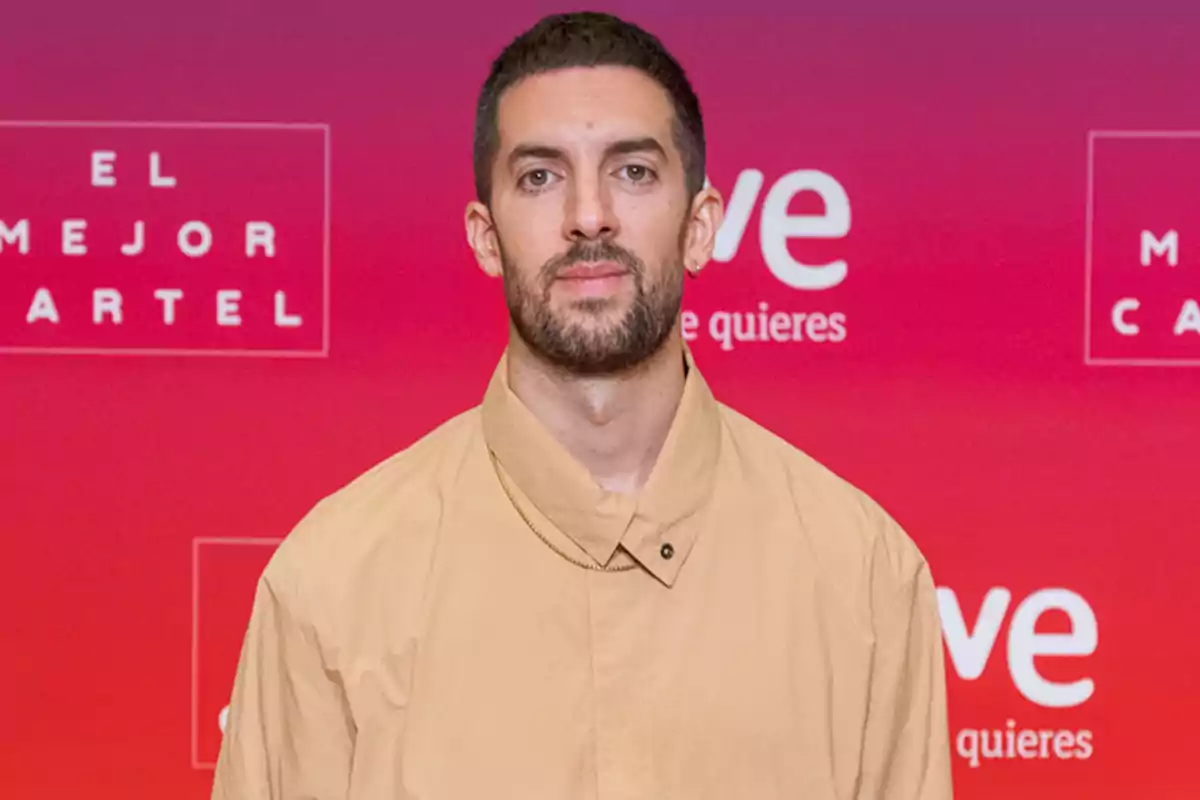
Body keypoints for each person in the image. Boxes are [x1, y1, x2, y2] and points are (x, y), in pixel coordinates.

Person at [211, 11, 953, 800]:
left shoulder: (863, 576)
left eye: (633, 171)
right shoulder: (332, 581)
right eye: (540, 176)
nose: (589, 215)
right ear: (485, 236)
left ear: (700, 228)